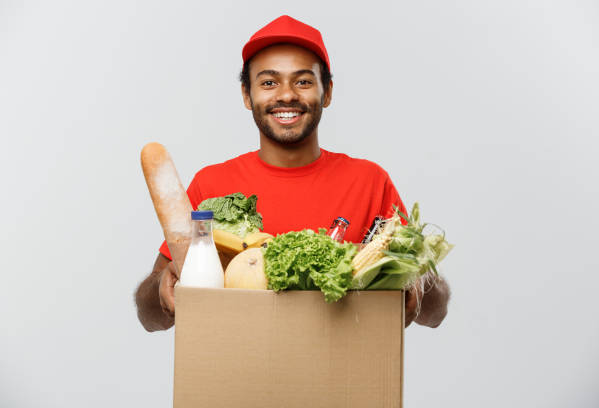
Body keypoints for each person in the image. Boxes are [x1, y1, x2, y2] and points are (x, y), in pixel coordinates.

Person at [134, 15, 450, 332]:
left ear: (327, 93)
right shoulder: (212, 186)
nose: (286, 95)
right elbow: (150, 318)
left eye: (303, 81)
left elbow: (435, 314)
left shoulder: (370, 182)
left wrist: (418, 279)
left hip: (343, 374)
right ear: (247, 95)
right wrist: (164, 284)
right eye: (269, 82)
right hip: (238, 372)